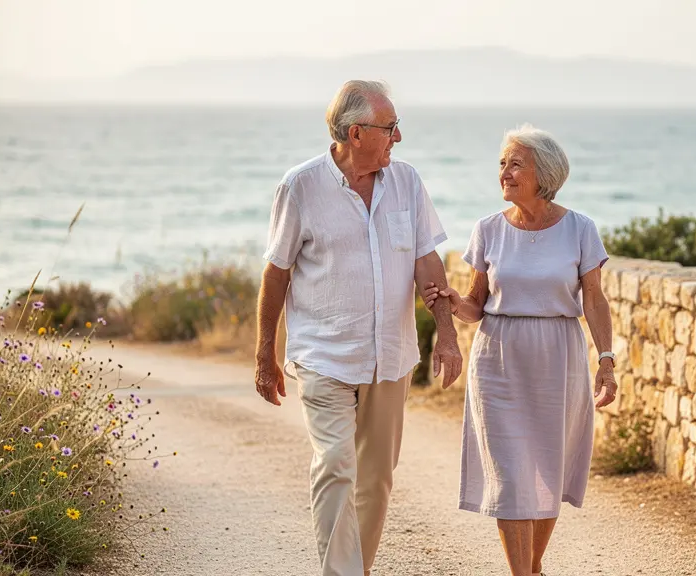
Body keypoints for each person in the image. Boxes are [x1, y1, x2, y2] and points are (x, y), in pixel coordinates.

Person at [255, 80, 463, 576]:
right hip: (323, 356)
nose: (398, 139)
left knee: (376, 480)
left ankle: (356, 569)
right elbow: (276, 272)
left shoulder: (407, 182)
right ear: (355, 133)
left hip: (389, 357)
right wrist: (265, 353)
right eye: (390, 128)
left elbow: (427, 261)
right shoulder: (300, 186)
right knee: (335, 468)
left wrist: (448, 335)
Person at [423, 124, 617, 576]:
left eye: (515, 164)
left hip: (559, 356)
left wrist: (606, 361)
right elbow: (477, 305)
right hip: (498, 359)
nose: (505, 172)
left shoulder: (580, 229)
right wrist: (456, 304)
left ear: (542, 174)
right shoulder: (488, 229)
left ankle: (532, 567)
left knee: (549, 469)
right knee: (510, 473)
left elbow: (594, 300)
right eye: (501, 164)